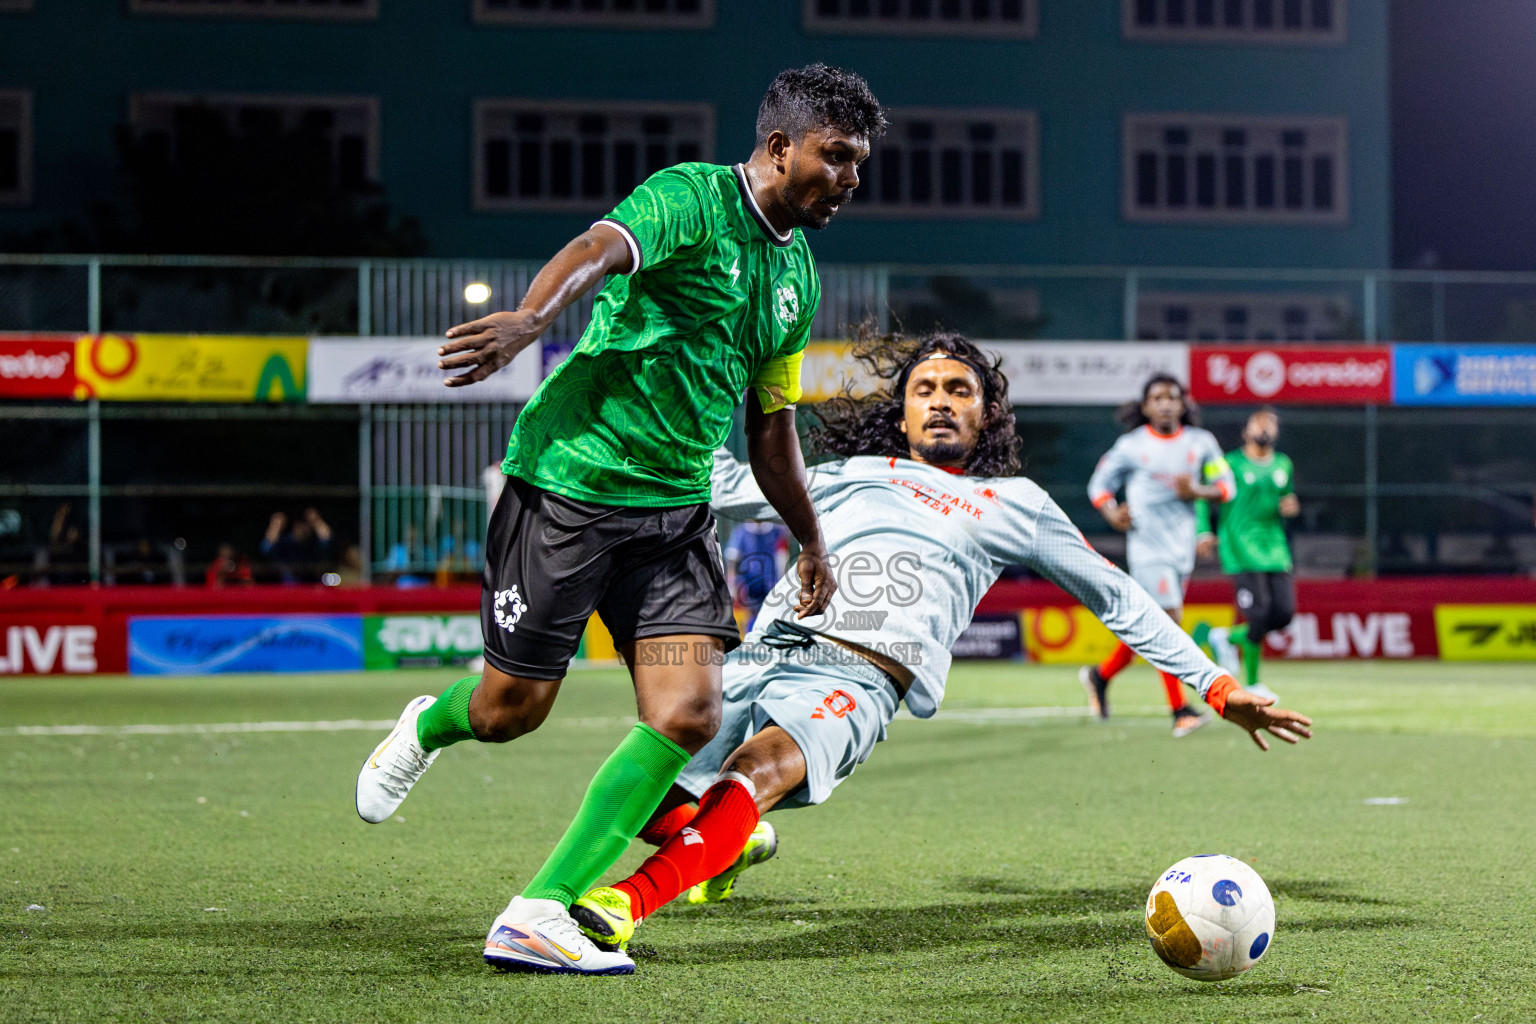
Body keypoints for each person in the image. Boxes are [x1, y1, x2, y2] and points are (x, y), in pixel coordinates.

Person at [353, 64, 886, 975]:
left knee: (687, 715)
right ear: (778, 148)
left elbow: (770, 427)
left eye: (860, 164)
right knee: (508, 709)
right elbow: (598, 248)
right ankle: (427, 727)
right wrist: (527, 319)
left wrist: (810, 536)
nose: (849, 180)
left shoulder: (796, 272)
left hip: (674, 522)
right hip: (569, 490)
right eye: (835, 157)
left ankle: (538, 910)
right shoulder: (692, 197)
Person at [556, 331, 1312, 959]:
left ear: (987, 414)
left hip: (857, 676)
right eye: (925, 390)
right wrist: (643, 407)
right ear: (903, 411)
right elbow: (720, 480)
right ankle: (734, 841)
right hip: (763, 652)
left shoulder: (1013, 503)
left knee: (757, 772)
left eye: (960, 390)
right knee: (651, 797)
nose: (942, 401)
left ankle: (622, 907)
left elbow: (1116, 595)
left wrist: (1215, 685)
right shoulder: (850, 473)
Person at [1079, 375, 1235, 737]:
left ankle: (1099, 676)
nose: (1165, 403)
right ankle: (1181, 710)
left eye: (1172, 397)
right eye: (1157, 397)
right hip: (1147, 548)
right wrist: (1111, 511)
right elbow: (1099, 485)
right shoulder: (1132, 446)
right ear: (1146, 406)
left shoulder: (1201, 444)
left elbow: (1227, 487)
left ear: (1183, 405)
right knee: (1169, 624)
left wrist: (1198, 490)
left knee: (1149, 630)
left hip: (1181, 551)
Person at [1193, 406, 1299, 701]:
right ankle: (1252, 684)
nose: (1264, 427)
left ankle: (1224, 637)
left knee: (1283, 615)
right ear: (1245, 431)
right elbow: (1203, 496)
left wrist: (1289, 507)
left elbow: (1285, 498)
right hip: (1240, 548)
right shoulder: (1229, 463)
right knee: (1259, 613)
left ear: (1277, 432)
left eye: (1271, 423)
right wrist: (1204, 530)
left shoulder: (1283, 464)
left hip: (1275, 549)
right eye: (1258, 422)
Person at [725, 519, 790, 630]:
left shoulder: (775, 530)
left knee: (771, 616)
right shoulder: (741, 532)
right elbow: (733, 560)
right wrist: (732, 584)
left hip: (771, 583)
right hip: (749, 584)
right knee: (751, 617)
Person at [260, 508, 333, 584]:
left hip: (311, 585)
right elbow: (266, 549)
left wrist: (317, 521)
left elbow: (328, 541)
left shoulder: (314, 543)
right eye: (299, 525)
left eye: (305, 524)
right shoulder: (286, 542)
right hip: (289, 585)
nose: (302, 529)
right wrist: (276, 525)